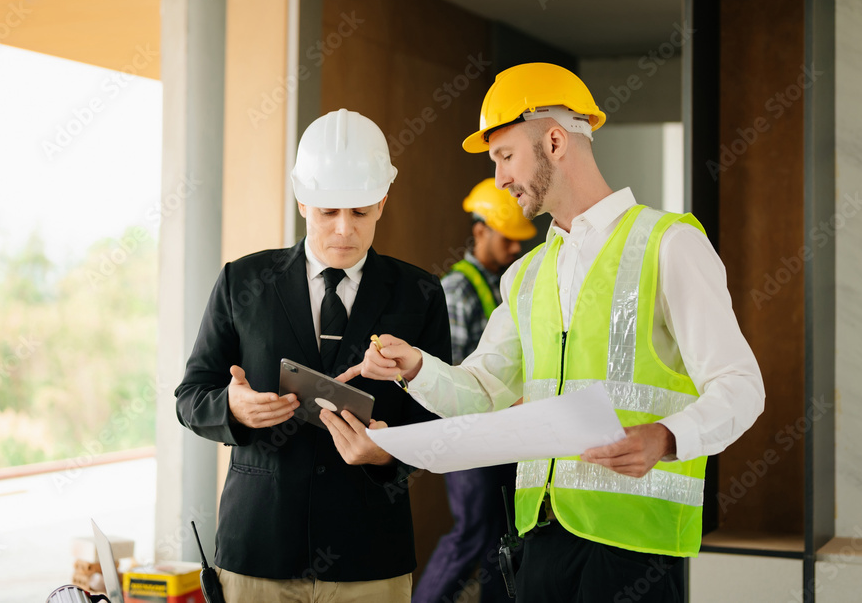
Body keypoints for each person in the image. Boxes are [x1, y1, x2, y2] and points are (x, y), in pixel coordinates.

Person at [341, 63, 766, 602]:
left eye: (505, 156)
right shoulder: (528, 274)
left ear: (555, 141)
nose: (499, 178)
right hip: (540, 541)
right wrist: (418, 369)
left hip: (634, 547)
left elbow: (741, 385)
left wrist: (665, 438)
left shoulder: (668, 244)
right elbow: (485, 391)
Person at [174, 108, 451, 602]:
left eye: (360, 212)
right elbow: (191, 396)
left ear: (382, 202)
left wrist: (388, 451)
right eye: (328, 212)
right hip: (258, 549)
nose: (344, 229)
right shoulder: (244, 281)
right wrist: (232, 408)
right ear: (303, 201)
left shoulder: (420, 293)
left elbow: (438, 418)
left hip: (368, 554)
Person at [413, 179, 535, 603]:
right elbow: (453, 373)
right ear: (480, 231)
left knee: (503, 537)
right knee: (474, 531)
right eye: (508, 239)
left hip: (504, 434)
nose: (516, 249)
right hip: (467, 433)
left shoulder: (511, 287)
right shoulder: (456, 291)